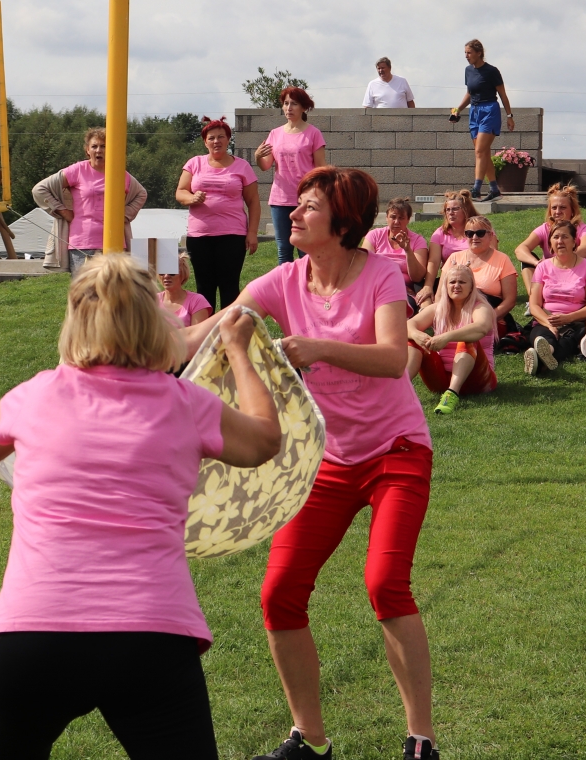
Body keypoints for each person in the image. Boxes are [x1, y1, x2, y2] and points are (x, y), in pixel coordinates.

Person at [0, 255, 282, 759]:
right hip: (149, 637)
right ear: (154, 320)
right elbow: (265, 440)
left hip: (33, 635)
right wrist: (236, 350)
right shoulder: (184, 402)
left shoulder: (33, 396)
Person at [183, 167, 441, 760]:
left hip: (397, 451)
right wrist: (118, 348)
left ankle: (421, 741)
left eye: (309, 206)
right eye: (295, 205)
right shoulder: (284, 279)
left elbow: (390, 357)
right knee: (279, 594)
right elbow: (211, 331)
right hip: (328, 459)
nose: (293, 214)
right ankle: (310, 740)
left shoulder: (380, 273)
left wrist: (317, 347)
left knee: (385, 584)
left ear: (343, 223)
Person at [33, 128, 147, 276]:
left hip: (116, 242)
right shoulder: (78, 170)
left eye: (104, 146)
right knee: (85, 288)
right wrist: (62, 211)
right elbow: (40, 189)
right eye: (94, 146)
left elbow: (141, 194)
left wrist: (124, 215)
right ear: (87, 150)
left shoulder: (120, 173)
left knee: (114, 288)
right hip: (83, 243)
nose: (99, 150)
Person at [178, 118, 261, 310]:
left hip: (233, 236)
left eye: (221, 137)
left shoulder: (242, 166)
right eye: (211, 138)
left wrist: (252, 232)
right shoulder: (194, 163)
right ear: (205, 142)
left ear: (228, 139)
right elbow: (180, 192)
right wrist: (192, 198)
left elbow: (253, 202)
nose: (216, 141)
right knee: (204, 288)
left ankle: (228, 327)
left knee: (229, 287)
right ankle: (205, 327)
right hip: (199, 236)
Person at [406, 262, 496, 414]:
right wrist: (417, 335)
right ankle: (399, 388)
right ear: (445, 286)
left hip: (478, 381)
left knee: (468, 339)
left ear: (472, 286)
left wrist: (447, 337)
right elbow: (408, 325)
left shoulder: (481, 307)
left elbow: (481, 327)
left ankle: (451, 395)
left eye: (462, 282)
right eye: (452, 282)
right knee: (414, 341)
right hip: (441, 380)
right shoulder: (438, 308)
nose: (456, 286)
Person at [255, 86, 327, 265]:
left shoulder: (313, 133)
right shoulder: (275, 134)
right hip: (280, 200)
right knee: (283, 249)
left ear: (304, 107)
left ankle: (308, 282)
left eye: (294, 103)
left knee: (305, 249)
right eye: (286, 103)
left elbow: (321, 169)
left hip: (306, 200)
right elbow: (265, 166)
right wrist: (257, 156)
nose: (289, 108)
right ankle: (285, 282)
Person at [522, 222, 586, 377]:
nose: (560, 241)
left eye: (565, 237)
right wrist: (549, 323)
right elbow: (534, 304)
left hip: (576, 321)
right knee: (541, 334)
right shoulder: (542, 267)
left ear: (574, 241)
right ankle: (546, 351)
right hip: (547, 318)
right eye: (556, 237)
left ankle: (541, 358)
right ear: (550, 242)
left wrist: (568, 318)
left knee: (570, 339)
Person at [448, 39, 514, 202]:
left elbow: (503, 95)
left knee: (479, 151)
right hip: (474, 112)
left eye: (469, 52)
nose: (466, 55)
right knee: (483, 153)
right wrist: (458, 109)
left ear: (479, 53)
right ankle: (494, 189)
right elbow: (470, 93)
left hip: (489, 110)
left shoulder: (492, 71)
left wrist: (509, 116)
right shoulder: (468, 71)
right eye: (465, 53)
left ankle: (476, 189)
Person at [513, 183, 586, 298]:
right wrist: (538, 263)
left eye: (563, 207)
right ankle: (534, 298)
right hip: (550, 274)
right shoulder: (545, 228)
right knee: (527, 260)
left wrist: (561, 262)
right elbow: (520, 249)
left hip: (574, 273)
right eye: (554, 208)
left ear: (572, 210)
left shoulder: (582, 229)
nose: (557, 211)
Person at [443, 216, 519, 338]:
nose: (474, 237)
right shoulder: (454, 258)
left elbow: (510, 301)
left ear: (490, 236)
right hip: (456, 319)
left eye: (480, 233)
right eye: (469, 233)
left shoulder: (503, 259)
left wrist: (488, 319)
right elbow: (441, 295)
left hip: (490, 319)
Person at [364, 197, 428, 299]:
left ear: (408, 219)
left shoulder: (418, 241)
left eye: (401, 218)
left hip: (405, 289)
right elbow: (364, 267)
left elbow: (418, 277)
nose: (396, 221)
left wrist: (408, 250)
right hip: (376, 286)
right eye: (393, 217)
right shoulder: (374, 235)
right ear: (386, 217)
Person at [420, 189, 477, 301]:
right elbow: (434, 262)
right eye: (448, 210)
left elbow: (490, 256)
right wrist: (428, 286)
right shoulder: (440, 233)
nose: (451, 213)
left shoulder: (479, 231)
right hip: (449, 279)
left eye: (455, 209)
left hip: (475, 278)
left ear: (466, 210)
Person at [157, 253, 213, 328]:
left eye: (172, 273)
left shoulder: (197, 301)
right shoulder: (152, 300)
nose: (166, 276)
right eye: (162, 272)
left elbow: (197, 333)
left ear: (182, 274)